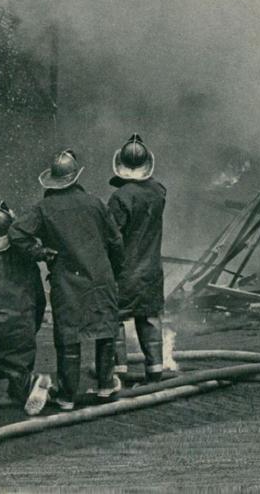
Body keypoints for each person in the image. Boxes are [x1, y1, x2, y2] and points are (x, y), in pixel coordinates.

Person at [10, 149, 125, 409]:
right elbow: (116, 241)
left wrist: (40, 252)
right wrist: (115, 271)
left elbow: (16, 233)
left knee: (67, 336)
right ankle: (106, 386)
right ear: (75, 178)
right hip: (99, 275)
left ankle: (66, 396)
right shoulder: (95, 203)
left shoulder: (43, 208)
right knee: (105, 329)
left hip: (67, 280)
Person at [0, 204, 50, 416]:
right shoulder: (27, 261)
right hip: (23, 333)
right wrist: (29, 330)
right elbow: (40, 302)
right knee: (18, 394)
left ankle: (25, 380)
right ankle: (24, 382)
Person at [107, 134, 168, 383]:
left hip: (125, 270)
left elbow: (112, 237)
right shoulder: (159, 191)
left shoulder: (120, 198)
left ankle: (117, 372)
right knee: (150, 316)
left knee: (116, 317)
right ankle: (155, 369)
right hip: (152, 268)